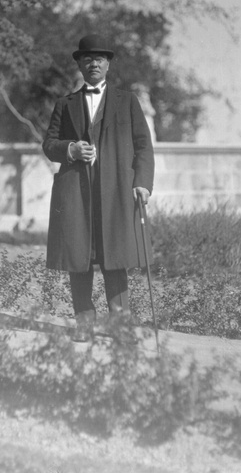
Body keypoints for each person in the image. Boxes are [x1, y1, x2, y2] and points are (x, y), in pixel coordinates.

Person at [42, 34, 155, 341]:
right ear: (80, 64)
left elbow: (144, 146)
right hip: (75, 192)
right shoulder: (65, 105)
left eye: (100, 59)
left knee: (114, 256)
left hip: (116, 192)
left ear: (108, 64)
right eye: (88, 59)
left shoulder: (127, 102)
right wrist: (71, 149)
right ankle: (84, 322)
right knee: (79, 257)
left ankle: (120, 324)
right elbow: (49, 144)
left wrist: (143, 183)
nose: (94, 64)